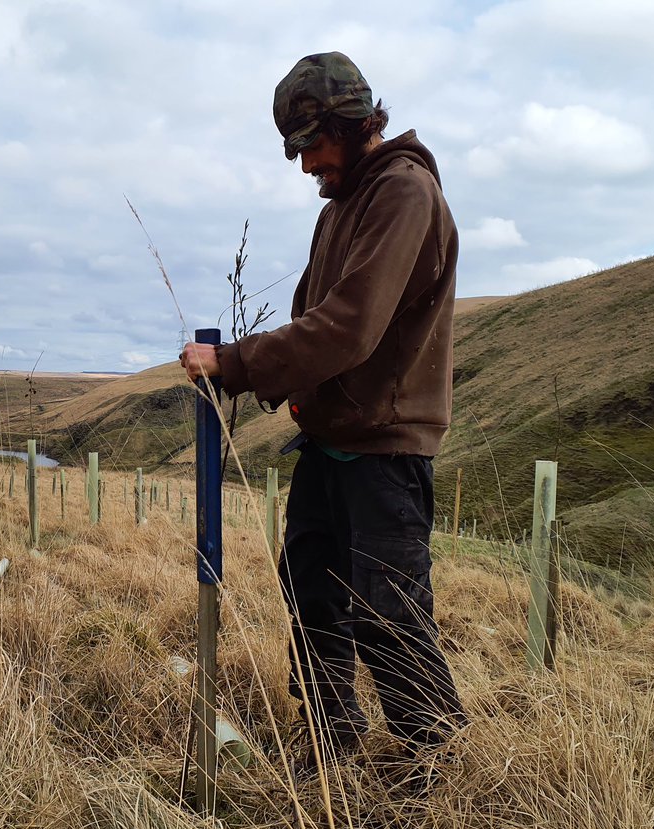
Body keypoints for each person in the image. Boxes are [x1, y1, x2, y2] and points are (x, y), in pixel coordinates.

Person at [180, 51, 467, 779]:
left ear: (349, 124)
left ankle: (436, 770)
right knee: (314, 598)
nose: (304, 163)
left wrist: (236, 365)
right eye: (295, 147)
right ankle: (330, 748)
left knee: (389, 617)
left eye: (310, 143)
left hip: (384, 450)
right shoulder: (344, 204)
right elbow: (316, 313)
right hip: (333, 444)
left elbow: (347, 326)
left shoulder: (403, 194)